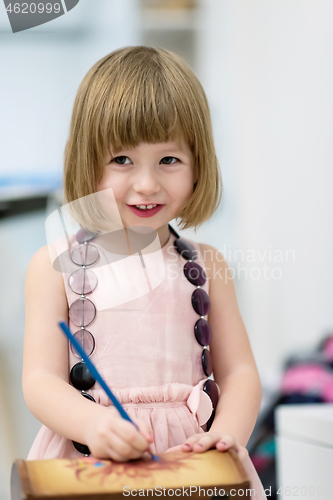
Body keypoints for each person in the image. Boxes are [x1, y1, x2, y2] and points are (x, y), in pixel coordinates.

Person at [23, 46, 266, 497]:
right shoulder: (52, 266)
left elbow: (240, 374)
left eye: (169, 160)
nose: (147, 184)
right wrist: (92, 423)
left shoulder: (209, 266)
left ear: (199, 166)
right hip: (93, 459)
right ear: (87, 161)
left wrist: (226, 436)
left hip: (191, 461)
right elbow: (40, 380)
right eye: (122, 160)